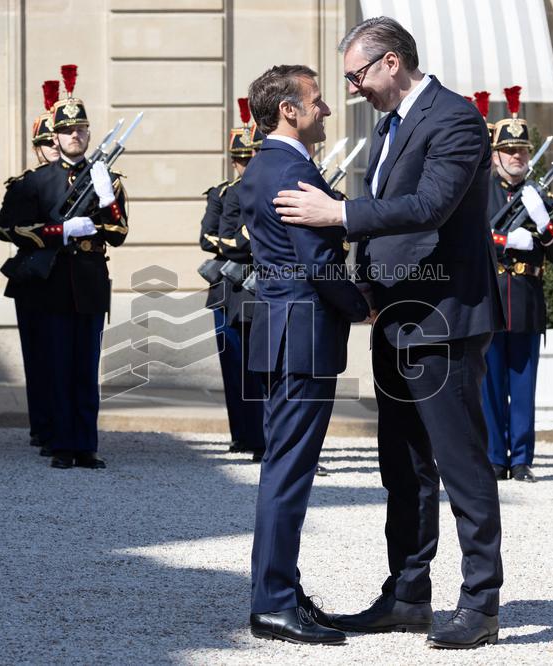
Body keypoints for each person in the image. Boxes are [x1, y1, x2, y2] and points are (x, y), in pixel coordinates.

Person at [272, 17, 504, 649]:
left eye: (356, 76)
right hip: (397, 316)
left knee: (460, 462)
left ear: (391, 63)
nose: (352, 91)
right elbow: (389, 228)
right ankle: (407, 593)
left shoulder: (454, 119)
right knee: (402, 464)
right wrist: (366, 289)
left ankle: (481, 601)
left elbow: (429, 207)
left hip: (444, 318)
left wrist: (336, 213)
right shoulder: (388, 125)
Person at [242, 65, 370, 645]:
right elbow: (318, 263)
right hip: (302, 332)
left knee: (285, 467)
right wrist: (360, 306)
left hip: (284, 329)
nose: (324, 110)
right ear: (288, 110)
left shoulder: (269, 163)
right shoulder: (290, 167)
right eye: (316, 101)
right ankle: (272, 601)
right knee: (288, 473)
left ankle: (283, 591)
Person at [0, 65, 129, 469]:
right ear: (55, 136)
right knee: (56, 366)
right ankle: (60, 444)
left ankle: (85, 444)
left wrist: (107, 200)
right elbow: (7, 228)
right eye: (69, 131)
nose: (76, 136)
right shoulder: (35, 183)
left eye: (82, 130)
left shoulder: (107, 177)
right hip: (51, 283)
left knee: (85, 371)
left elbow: (119, 232)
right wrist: (59, 231)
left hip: (88, 283)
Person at [484, 86, 553, 483]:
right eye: (510, 151)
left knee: (523, 385)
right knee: (489, 385)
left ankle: (521, 458)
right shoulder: (479, 192)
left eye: (522, 151)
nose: (517, 158)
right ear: (496, 155)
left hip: (526, 298)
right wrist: (505, 240)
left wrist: (543, 223)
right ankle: (492, 455)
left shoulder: (542, 198)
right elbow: (469, 238)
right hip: (490, 299)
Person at [0, 80, 63, 453]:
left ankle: (66, 425)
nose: (55, 147)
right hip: (35, 278)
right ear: (37, 149)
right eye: (47, 143)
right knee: (39, 356)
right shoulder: (24, 186)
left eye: (58, 140)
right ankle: (44, 426)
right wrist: (50, 234)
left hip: (68, 278)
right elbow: (5, 229)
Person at [198, 101, 266, 460]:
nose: (245, 165)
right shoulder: (224, 193)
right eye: (240, 159)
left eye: (251, 157)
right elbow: (210, 238)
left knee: (259, 370)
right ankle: (243, 433)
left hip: (260, 287)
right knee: (234, 369)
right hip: (230, 288)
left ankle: (260, 437)